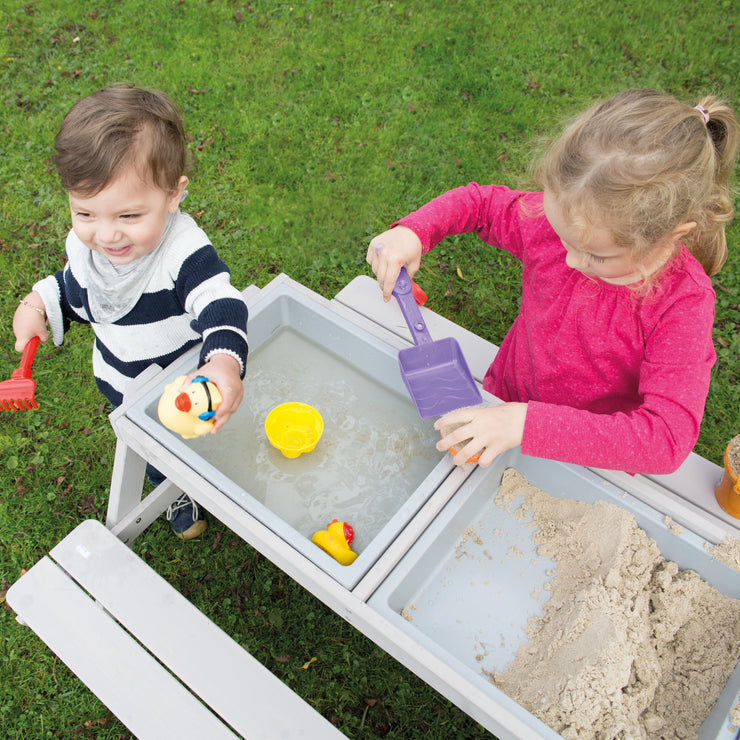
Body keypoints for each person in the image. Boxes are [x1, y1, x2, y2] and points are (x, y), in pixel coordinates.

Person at [367, 89, 738, 475]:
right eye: (563, 237)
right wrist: (414, 231)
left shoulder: (681, 304)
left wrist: (527, 425)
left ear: (671, 234)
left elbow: (665, 437)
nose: (570, 260)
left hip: (587, 456)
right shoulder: (566, 223)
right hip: (502, 401)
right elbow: (480, 204)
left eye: (596, 256)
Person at [12, 86, 249, 538]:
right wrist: (36, 304)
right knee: (158, 448)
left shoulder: (181, 252)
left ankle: (210, 472)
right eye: (85, 213)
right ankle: (171, 486)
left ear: (173, 195)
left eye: (129, 216)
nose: (107, 236)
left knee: (201, 435)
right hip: (123, 382)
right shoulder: (91, 249)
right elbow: (76, 291)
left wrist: (221, 362)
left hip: (187, 381)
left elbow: (221, 303)